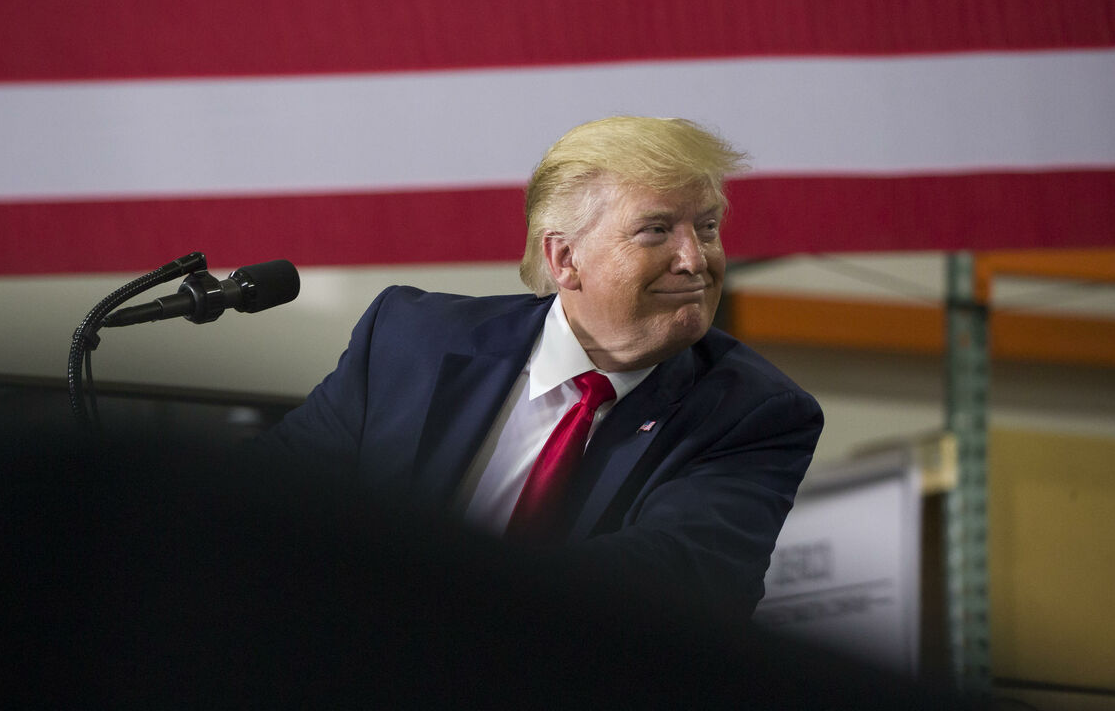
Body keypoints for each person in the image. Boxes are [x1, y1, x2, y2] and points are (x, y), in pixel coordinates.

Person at [263, 116, 823, 616]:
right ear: (565, 258)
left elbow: (676, 581)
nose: (695, 259)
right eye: (656, 230)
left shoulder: (753, 412)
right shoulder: (409, 340)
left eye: (707, 227)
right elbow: (275, 497)